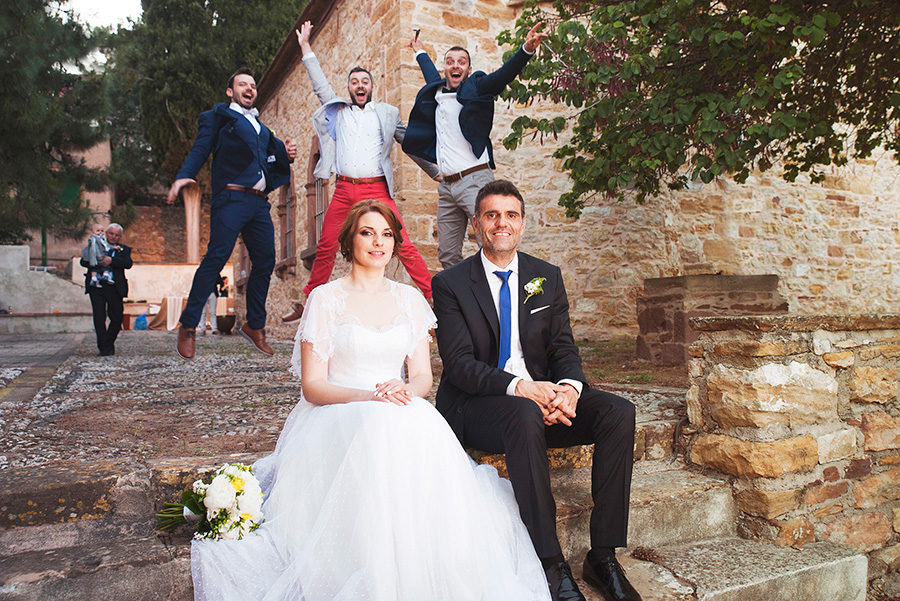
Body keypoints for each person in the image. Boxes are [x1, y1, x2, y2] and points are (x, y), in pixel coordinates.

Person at [191, 200, 551, 601]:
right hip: (339, 409)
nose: (378, 242)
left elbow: (422, 378)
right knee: (377, 430)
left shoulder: (410, 300)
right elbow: (313, 385)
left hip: (399, 404)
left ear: (395, 243)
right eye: (367, 232)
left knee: (407, 431)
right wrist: (368, 397)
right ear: (350, 241)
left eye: (386, 234)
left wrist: (403, 392)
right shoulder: (326, 299)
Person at [432, 180, 642, 601]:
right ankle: (550, 561)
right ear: (476, 224)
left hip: (540, 399)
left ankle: (602, 556)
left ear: (523, 223)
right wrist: (521, 389)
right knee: (524, 413)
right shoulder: (451, 284)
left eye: (510, 215)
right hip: (479, 407)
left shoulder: (546, 276)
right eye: (491, 215)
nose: (501, 223)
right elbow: (459, 366)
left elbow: (563, 347)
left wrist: (567, 389)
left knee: (619, 412)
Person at [282, 21, 440, 324]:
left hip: (377, 188)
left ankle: (433, 296)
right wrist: (305, 47)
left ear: (371, 86)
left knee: (402, 242)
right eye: (354, 82)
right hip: (344, 189)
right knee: (327, 244)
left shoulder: (387, 113)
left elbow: (410, 144)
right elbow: (319, 85)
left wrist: (435, 172)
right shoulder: (338, 111)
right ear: (349, 87)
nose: (360, 85)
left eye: (364, 81)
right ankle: (308, 302)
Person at [167, 67, 298, 359]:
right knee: (216, 258)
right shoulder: (217, 118)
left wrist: (285, 153)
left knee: (265, 261)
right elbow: (201, 149)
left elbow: (273, 156)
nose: (249, 89)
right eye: (242, 85)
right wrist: (184, 174)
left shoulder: (262, 129)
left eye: (252, 85)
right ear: (231, 92)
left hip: (259, 203)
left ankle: (255, 326)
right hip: (231, 198)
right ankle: (188, 326)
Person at [402, 23, 547, 269]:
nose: (455, 65)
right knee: (447, 255)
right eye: (450, 62)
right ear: (445, 68)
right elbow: (429, 73)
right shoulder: (436, 92)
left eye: (461, 62)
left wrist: (526, 50)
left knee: (491, 245)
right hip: (446, 188)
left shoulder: (477, 89)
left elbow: (503, 75)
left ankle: (498, 298)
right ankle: (461, 304)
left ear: (468, 69)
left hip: (475, 181)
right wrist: (419, 51)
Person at [80, 223, 132, 357]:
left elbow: (128, 263)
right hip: (96, 286)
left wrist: (111, 261)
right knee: (99, 317)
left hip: (114, 287)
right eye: (111, 234)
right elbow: (83, 261)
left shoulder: (123, 249)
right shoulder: (95, 244)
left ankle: (108, 342)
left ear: (120, 237)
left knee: (117, 317)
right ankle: (103, 347)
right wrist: (97, 261)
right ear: (106, 233)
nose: (113, 237)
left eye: (117, 235)